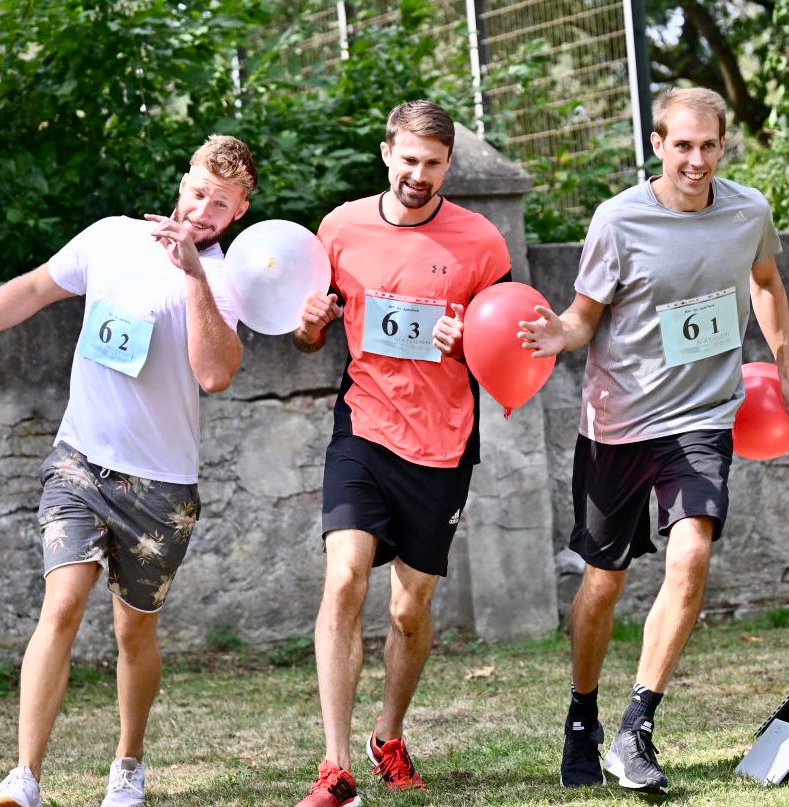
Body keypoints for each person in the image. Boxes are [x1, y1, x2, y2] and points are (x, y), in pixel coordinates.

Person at [520, 87, 789, 794]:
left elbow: (767, 281)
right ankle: (583, 715)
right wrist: (552, 335)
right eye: (681, 145)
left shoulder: (748, 211)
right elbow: (583, 317)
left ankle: (637, 726)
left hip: (703, 416)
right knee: (603, 582)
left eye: (707, 146)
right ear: (657, 145)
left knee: (693, 551)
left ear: (723, 146)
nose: (695, 159)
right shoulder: (618, 220)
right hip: (618, 424)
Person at [0, 135, 257, 807]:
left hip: (161, 485)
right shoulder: (112, 237)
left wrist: (191, 274)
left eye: (220, 202)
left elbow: (215, 373)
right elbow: (37, 288)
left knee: (135, 630)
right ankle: (24, 777)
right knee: (63, 600)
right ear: (181, 182)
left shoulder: (222, 278)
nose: (202, 208)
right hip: (80, 461)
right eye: (196, 192)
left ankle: (127, 764)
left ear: (239, 210)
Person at [291, 100, 512, 807]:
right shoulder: (341, 228)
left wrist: (470, 345)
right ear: (387, 152)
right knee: (344, 578)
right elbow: (310, 334)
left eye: (434, 163)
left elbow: (503, 346)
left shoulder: (481, 242)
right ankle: (333, 764)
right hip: (363, 425)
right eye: (408, 159)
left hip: (442, 443)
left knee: (410, 610)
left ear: (449, 165)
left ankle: (388, 734)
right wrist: (307, 325)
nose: (419, 174)